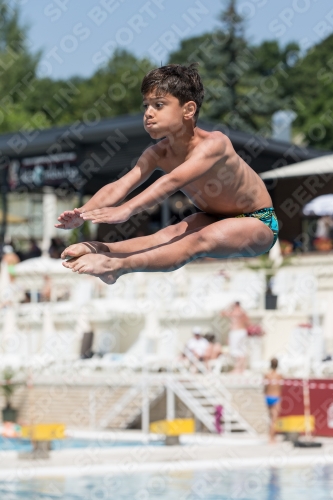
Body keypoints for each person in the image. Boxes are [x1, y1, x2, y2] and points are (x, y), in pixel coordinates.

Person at [57, 64, 279, 283]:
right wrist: (83, 213)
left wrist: (126, 209)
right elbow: (121, 185)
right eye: (146, 106)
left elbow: (172, 181)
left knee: (197, 240)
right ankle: (101, 249)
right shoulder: (158, 153)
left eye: (159, 105)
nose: (148, 114)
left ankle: (115, 266)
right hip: (212, 217)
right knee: (166, 235)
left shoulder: (215, 144)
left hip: (259, 221)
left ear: (188, 110)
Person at [221, 301, 249, 373]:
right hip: (243, 332)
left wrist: (229, 306)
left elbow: (222, 313)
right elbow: (248, 323)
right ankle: (242, 368)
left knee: (235, 351)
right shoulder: (243, 312)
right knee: (242, 351)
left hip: (235, 332)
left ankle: (237, 369)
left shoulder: (233, 312)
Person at [264, 357, 283, 444]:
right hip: (275, 397)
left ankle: (270, 437)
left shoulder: (267, 375)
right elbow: (280, 387)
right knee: (274, 420)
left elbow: (265, 387)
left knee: (270, 418)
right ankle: (272, 438)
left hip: (268, 397)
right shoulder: (279, 376)